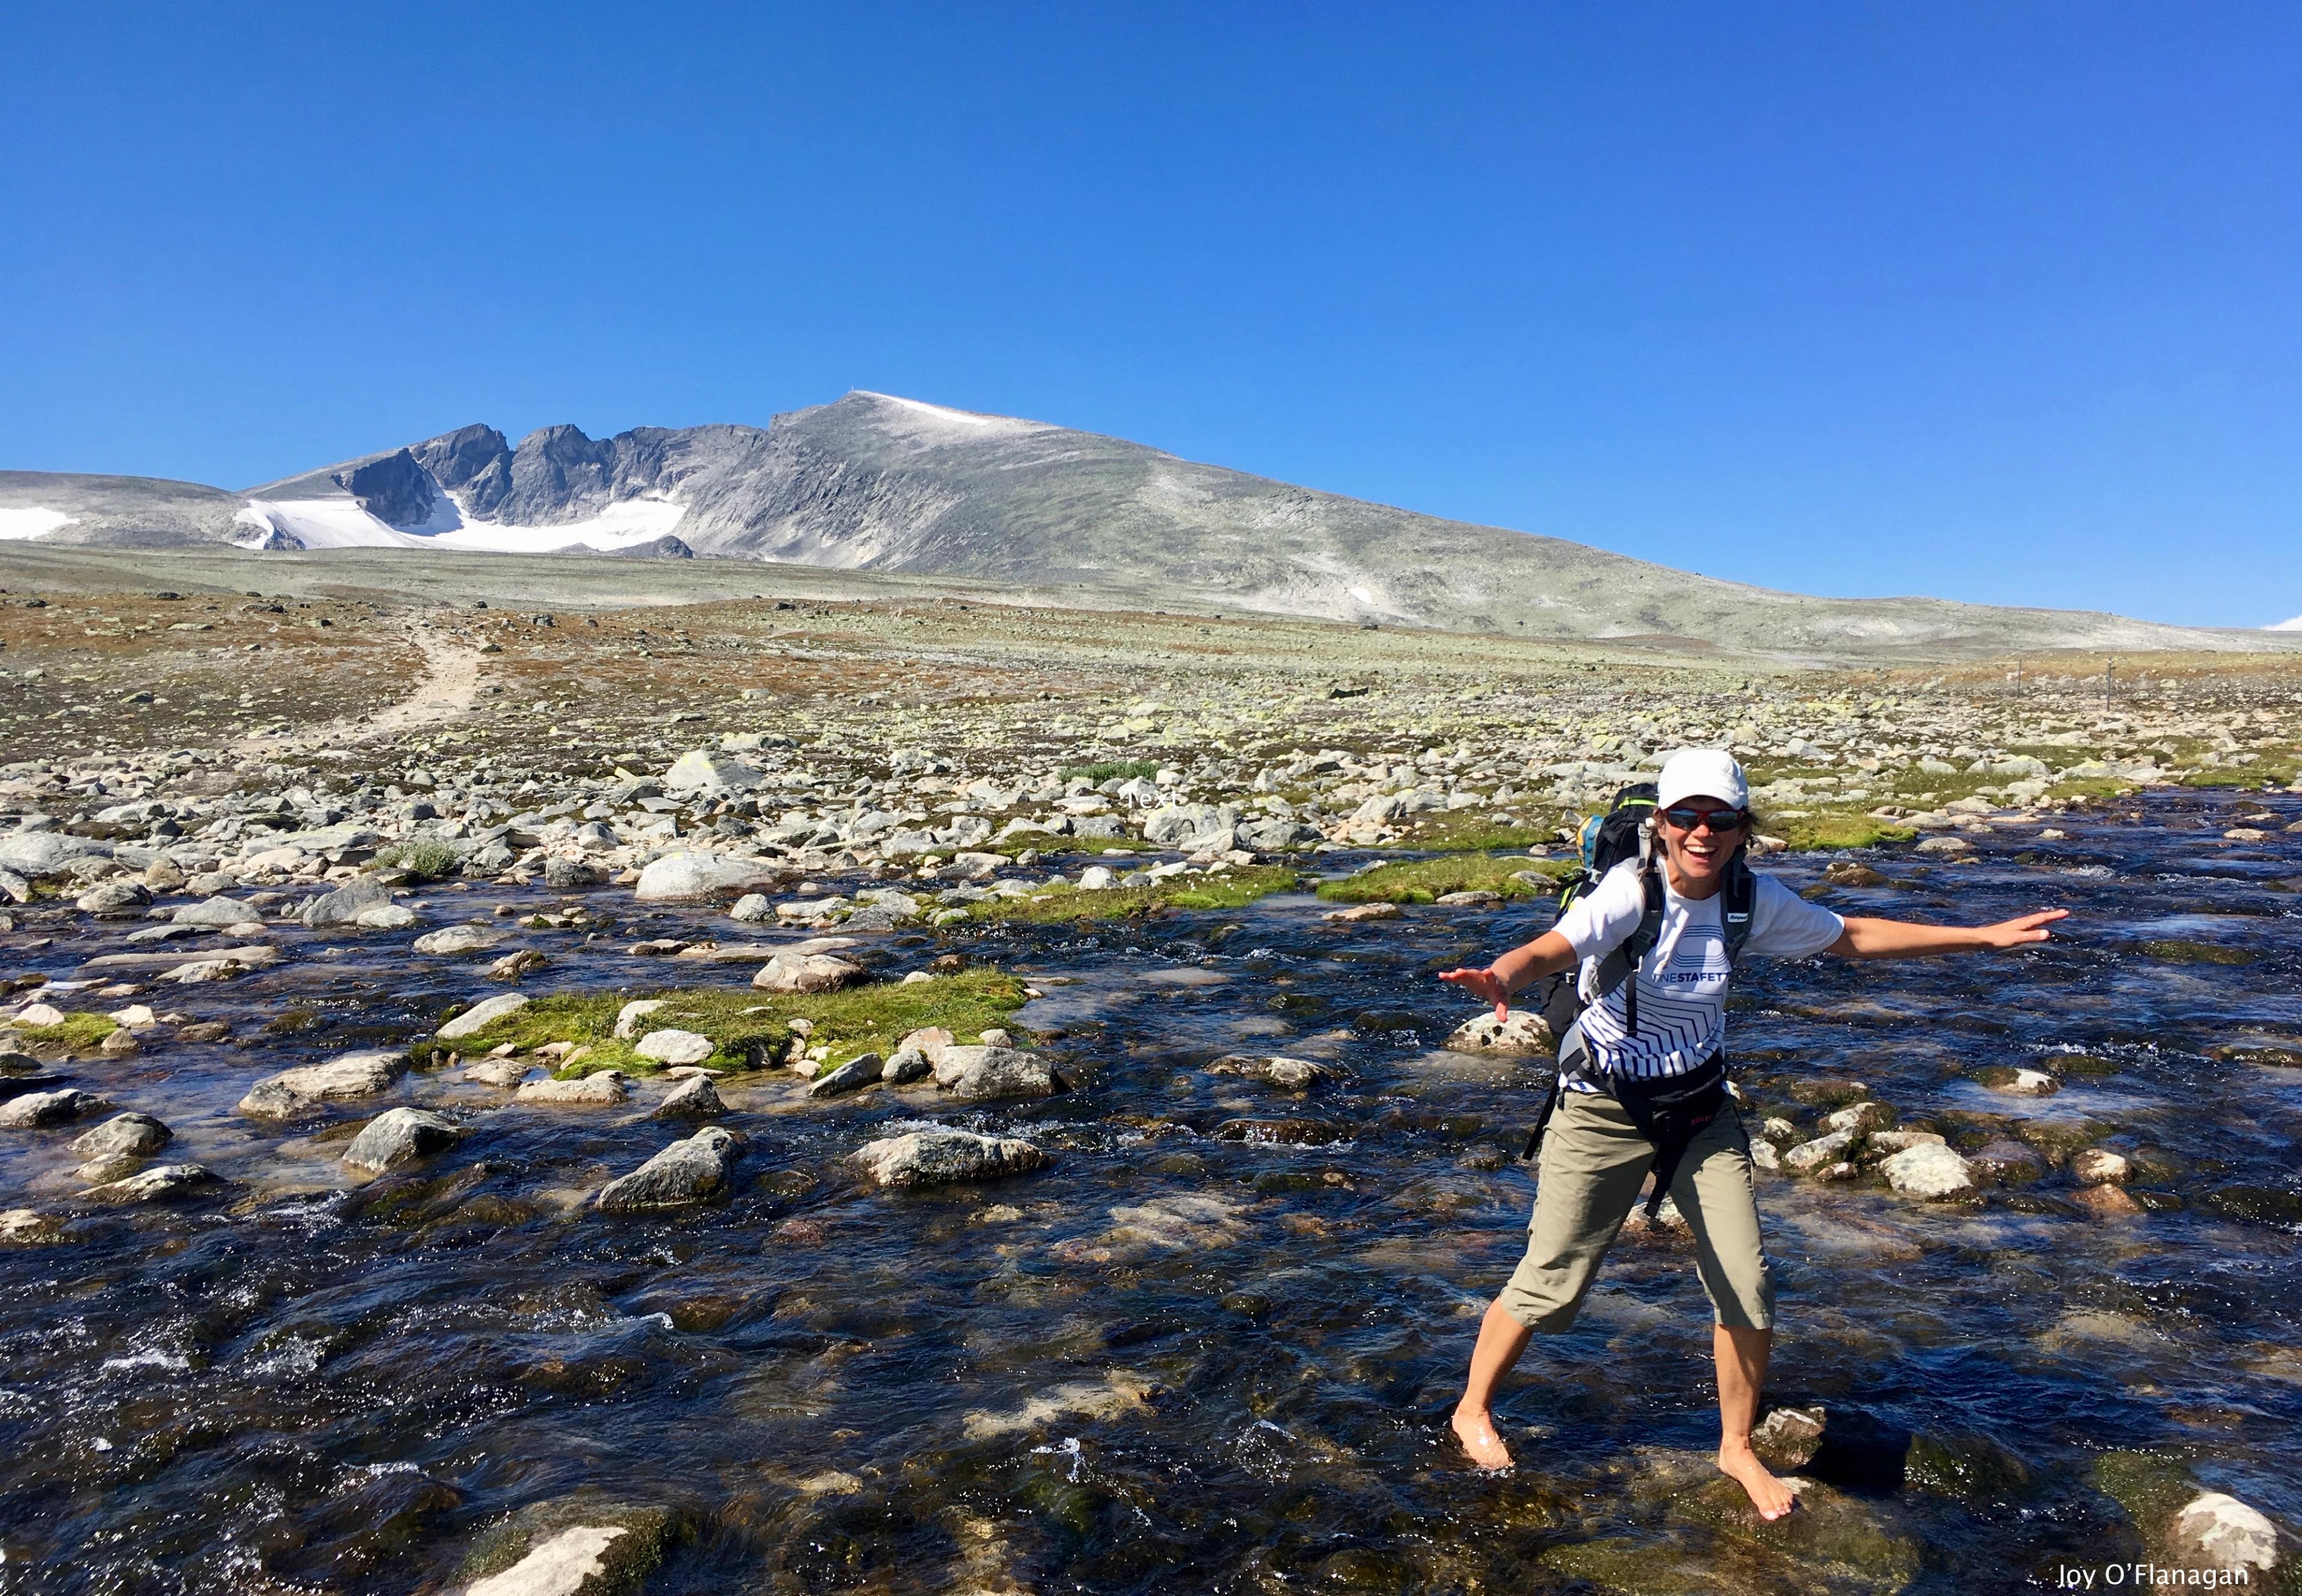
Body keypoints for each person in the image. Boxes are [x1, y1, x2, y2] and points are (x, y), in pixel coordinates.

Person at [1437, 748, 2064, 1518]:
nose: (1704, 833)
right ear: (1662, 825)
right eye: (1687, 818)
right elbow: (1554, 948)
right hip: (1602, 1108)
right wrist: (1503, 977)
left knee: (1747, 1280)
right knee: (1553, 1278)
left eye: (1721, 819)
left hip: (1700, 1110)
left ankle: (1736, 1445)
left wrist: (1982, 938)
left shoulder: (1749, 901)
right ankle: (1472, 1407)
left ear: (1742, 829)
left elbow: (1853, 936)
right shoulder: (1628, 892)